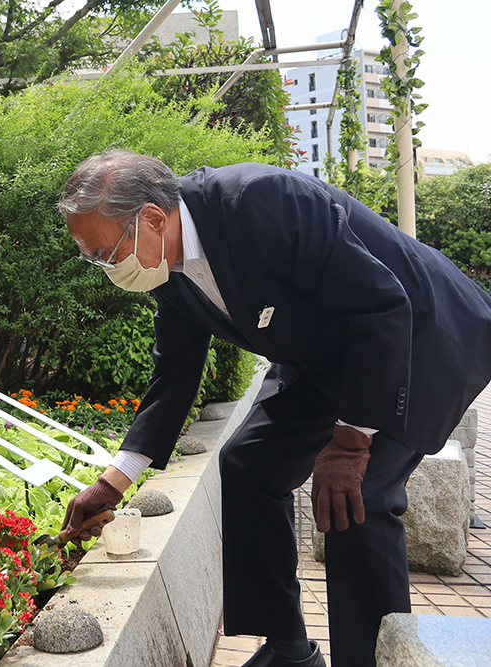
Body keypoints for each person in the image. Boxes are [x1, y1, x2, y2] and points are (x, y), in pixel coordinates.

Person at [57, 149, 491, 667]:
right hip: (329, 355)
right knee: (248, 464)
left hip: (417, 338)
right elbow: (174, 369)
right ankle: (288, 648)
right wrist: (112, 483)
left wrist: (351, 442)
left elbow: (380, 304)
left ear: (152, 217)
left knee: (357, 497)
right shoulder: (164, 263)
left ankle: (371, 660)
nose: (107, 268)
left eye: (107, 253)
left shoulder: (261, 202)